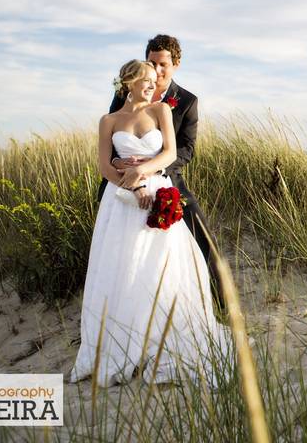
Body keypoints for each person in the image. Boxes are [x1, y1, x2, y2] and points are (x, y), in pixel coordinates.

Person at [69, 60, 232, 387]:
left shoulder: (161, 111)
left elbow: (170, 153)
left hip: (159, 193)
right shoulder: (109, 121)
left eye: (154, 77)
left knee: (160, 267)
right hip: (122, 203)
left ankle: (161, 335)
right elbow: (104, 167)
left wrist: (142, 173)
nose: (152, 82)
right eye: (144, 78)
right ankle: (129, 339)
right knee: (125, 267)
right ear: (128, 82)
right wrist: (133, 185)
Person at [97, 35, 227, 316]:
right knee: (115, 251)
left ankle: (221, 308)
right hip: (121, 181)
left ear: (176, 64)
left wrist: (150, 167)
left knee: (204, 240)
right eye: (152, 63)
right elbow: (113, 142)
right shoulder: (126, 93)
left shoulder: (186, 101)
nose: (156, 71)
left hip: (168, 180)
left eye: (162, 64)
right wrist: (123, 166)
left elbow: (186, 151)